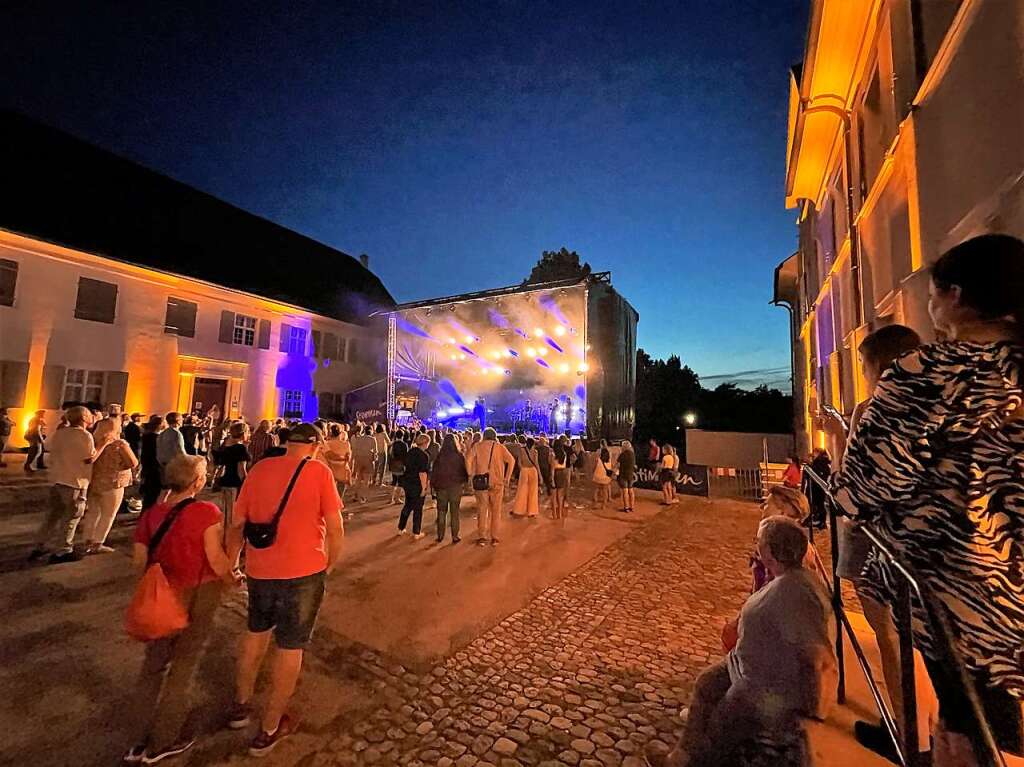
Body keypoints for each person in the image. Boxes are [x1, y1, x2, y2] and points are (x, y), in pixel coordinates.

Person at [833, 234, 1024, 764]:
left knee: (965, 718)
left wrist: (843, 497)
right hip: (1014, 584)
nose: (931, 307)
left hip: (956, 573)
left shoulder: (930, 373)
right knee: (993, 712)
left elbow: (872, 480)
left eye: (934, 294)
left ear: (957, 295)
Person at [645, 516, 837, 767]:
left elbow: (816, 654)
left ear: (769, 551)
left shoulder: (794, 593)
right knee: (706, 684)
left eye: (759, 540)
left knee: (721, 728)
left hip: (763, 686)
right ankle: (679, 756)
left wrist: (815, 705)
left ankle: (695, 762)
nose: (755, 543)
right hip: (746, 665)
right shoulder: (787, 578)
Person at [821, 323, 922, 759]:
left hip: (878, 542)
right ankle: (927, 726)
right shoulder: (939, 405)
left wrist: (839, 436)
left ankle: (904, 728)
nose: (861, 372)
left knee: (889, 637)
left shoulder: (874, 408)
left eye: (863, 364)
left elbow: (850, 482)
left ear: (879, 365)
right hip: (923, 544)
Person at [226, 423, 344, 757]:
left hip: (260, 568)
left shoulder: (260, 469)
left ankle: (240, 705)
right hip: (304, 569)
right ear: (316, 445)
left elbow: (238, 524)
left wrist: (231, 565)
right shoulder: (319, 472)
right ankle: (270, 726)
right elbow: (336, 529)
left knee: (256, 633)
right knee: (290, 647)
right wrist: (329, 565)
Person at [123, 454, 238, 765]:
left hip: (163, 593)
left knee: (153, 666)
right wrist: (232, 576)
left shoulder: (151, 515)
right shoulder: (206, 512)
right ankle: (164, 739)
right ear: (197, 482)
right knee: (185, 664)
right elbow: (215, 558)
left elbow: (138, 561)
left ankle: (137, 739)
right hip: (199, 591)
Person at [29, 406, 99, 563]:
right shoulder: (84, 435)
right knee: (71, 517)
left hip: (57, 479)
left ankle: (39, 545)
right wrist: (104, 444)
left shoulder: (61, 433)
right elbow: (89, 458)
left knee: (52, 515)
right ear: (84, 419)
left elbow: (49, 448)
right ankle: (63, 550)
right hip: (74, 481)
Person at [81, 417, 138, 553]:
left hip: (95, 481)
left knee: (93, 512)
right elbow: (133, 462)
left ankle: (87, 540)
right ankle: (98, 543)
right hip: (114, 483)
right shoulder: (119, 444)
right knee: (108, 514)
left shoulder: (93, 443)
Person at [467, 427, 515, 546]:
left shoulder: (477, 446)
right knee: (496, 511)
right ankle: (495, 537)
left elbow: (468, 460)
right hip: (497, 482)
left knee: (482, 510)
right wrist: (507, 477)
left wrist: (470, 474)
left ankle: (482, 537)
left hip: (481, 482)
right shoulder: (500, 447)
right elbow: (511, 461)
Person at [431, 433, 468, 544]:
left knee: (441, 512)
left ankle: (440, 535)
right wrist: (464, 482)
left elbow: (434, 472)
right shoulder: (459, 456)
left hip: (441, 487)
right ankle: (455, 536)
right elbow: (464, 471)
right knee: (455, 512)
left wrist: (433, 486)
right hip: (455, 487)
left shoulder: (440, 456)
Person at [214, 422, 250, 529]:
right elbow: (241, 469)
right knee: (232, 512)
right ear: (243, 433)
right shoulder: (240, 449)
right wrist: (246, 482)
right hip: (234, 482)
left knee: (225, 511)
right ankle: (229, 536)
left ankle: (223, 533)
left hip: (225, 480)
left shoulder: (226, 446)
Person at [398, 433, 431, 539]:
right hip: (417, 484)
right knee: (418, 508)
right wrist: (424, 487)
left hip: (408, 482)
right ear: (425, 443)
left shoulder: (410, 452)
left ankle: (401, 527)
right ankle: (416, 531)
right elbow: (423, 473)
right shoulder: (424, 456)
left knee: (408, 505)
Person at [139, 415, 166, 511]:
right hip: (155, 469)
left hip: (147, 467)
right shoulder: (157, 439)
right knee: (154, 495)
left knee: (148, 494)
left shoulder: (146, 436)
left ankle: (145, 513)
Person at [512, 436, 541, 519]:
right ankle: (531, 511)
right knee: (533, 491)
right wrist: (540, 475)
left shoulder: (521, 450)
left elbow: (519, 462)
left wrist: (522, 470)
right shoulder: (535, 452)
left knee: (522, 490)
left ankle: (519, 510)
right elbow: (536, 464)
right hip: (533, 471)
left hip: (524, 470)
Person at [323, 424, 352, 503]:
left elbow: (328, 455)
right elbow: (348, 457)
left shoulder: (327, 443)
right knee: (340, 489)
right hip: (342, 468)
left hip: (330, 468)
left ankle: (331, 503)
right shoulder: (346, 444)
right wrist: (343, 458)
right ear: (340, 433)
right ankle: (338, 503)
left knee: (331, 489)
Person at [349, 424, 377, 503]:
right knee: (366, 480)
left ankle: (356, 495)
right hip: (368, 460)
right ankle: (362, 497)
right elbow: (375, 452)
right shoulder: (373, 439)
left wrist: (352, 461)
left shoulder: (359, 439)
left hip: (359, 460)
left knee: (358, 478)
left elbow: (355, 450)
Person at [804, 448, 831, 529]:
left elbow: (812, 474)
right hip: (820, 488)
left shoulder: (818, 463)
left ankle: (815, 520)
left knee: (814, 504)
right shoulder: (825, 463)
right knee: (820, 504)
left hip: (815, 488)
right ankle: (820, 521)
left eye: (814, 453)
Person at [156, 412, 186, 482]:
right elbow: (180, 450)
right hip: (173, 464)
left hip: (162, 462)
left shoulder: (163, 433)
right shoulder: (177, 434)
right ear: (178, 421)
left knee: (165, 486)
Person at [550, 441, 570, 520]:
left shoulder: (552, 455)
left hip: (555, 473)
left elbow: (552, 469)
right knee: (560, 496)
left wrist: (552, 479)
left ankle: (554, 514)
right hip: (562, 473)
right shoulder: (564, 454)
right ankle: (560, 514)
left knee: (553, 497)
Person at [591, 444, 614, 510]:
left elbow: (594, 467)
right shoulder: (609, 461)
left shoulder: (598, 460)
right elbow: (611, 468)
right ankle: (604, 505)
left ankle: (595, 503)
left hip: (597, 477)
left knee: (596, 490)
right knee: (605, 492)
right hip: (605, 478)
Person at [388, 434, 408, 505]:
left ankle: (391, 498)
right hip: (401, 465)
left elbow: (389, 455)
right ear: (402, 436)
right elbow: (406, 455)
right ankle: (397, 498)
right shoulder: (404, 445)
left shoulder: (392, 444)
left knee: (394, 481)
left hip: (393, 464)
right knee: (400, 482)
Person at [617, 440, 636, 513]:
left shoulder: (622, 454)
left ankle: (626, 507)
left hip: (623, 474)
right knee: (631, 491)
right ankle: (632, 507)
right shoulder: (632, 454)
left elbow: (618, 465)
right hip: (630, 474)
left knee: (625, 491)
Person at [372, 423, 390, 487]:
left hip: (376, 452)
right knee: (382, 468)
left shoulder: (374, 434)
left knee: (376, 467)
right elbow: (388, 442)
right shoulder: (384, 434)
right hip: (383, 452)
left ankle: (373, 481)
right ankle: (380, 482)